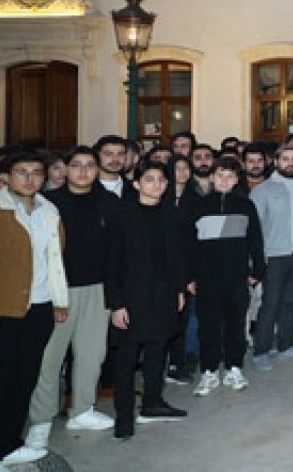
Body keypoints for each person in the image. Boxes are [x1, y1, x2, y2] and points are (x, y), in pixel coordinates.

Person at [0, 148, 68, 467]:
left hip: (38, 311)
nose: (30, 178)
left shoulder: (49, 210)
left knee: (22, 381)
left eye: (36, 172)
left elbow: (55, 261)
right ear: (7, 177)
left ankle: (8, 443)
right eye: (21, 172)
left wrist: (59, 299)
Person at [26, 147, 120, 451]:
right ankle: (40, 420)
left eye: (89, 166)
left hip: (98, 288)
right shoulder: (47, 203)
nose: (83, 171)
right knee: (49, 357)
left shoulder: (110, 203)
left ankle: (82, 410)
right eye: (76, 165)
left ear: (97, 170)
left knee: (92, 354)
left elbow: (118, 251)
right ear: (64, 169)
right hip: (57, 289)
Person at [103, 160, 190, 441]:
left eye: (162, 180)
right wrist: (116, 304)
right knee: (126, 359)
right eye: (150, 179)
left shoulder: (171, 214)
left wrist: (179, 290)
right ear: (136, 183)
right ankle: (124, 416)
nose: (157, 185)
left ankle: (152, 403)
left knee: (157, 351)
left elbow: (176, 257)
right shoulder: (122, 215)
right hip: (131, 296)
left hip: (164, 294)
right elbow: (111, 262)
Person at [190, 157, 265, 396]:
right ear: (212, 176)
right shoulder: (198, 206)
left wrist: (257, 271)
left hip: (237, 277)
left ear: (236, 179)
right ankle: (209, 371)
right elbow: (187, 245)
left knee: (236, 325)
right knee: (208, 327)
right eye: (220, 175)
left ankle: (235, 367)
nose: (224, 180)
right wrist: (189, 276)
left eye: (230, 176)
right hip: (206, 279)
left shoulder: (246, 206)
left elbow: (256, 241)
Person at [248, 144, 293, 371]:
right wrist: (255, 261)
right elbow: (253, 229)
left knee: (290, 303)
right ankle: (261, 351)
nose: (290, 163)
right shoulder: (263, 190)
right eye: (284, 159)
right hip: (274, 256)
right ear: (275, 162)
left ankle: (286, 346)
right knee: (270, 305)